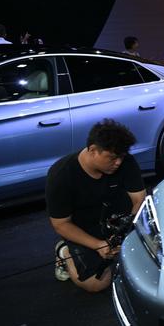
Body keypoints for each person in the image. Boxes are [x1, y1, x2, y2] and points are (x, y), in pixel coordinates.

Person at [46, 119, 146, 292]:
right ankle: (64, 251)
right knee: (97, 283)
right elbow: (61, 224)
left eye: (121, 157)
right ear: (93, 150)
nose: (118, 163)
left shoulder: (126, 162)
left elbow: (139, 199)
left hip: (118, 223)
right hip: (84, 229)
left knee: (151, 263)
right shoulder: (61, 175)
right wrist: (98, 245)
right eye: (112, 158)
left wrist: (126, 231)